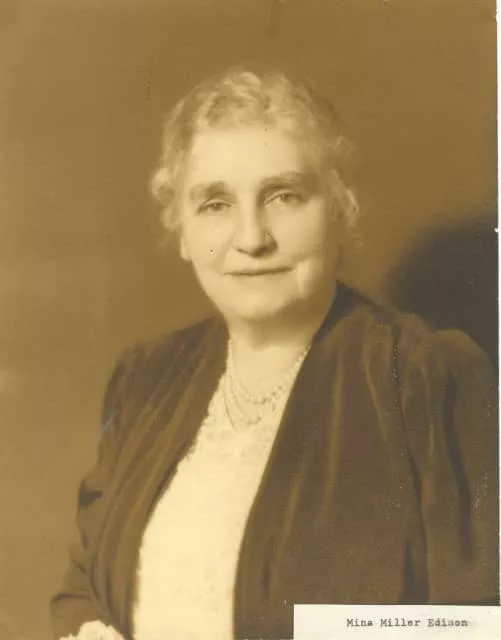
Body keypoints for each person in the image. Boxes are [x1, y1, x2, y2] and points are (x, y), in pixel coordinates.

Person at [50, 67, 499, 640]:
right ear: (181, 230)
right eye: (215, 204)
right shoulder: (146, 379)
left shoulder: (424, 378)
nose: (251, 238)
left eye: (284, 196)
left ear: (339, 210)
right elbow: (83, 586)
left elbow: (477, 621)